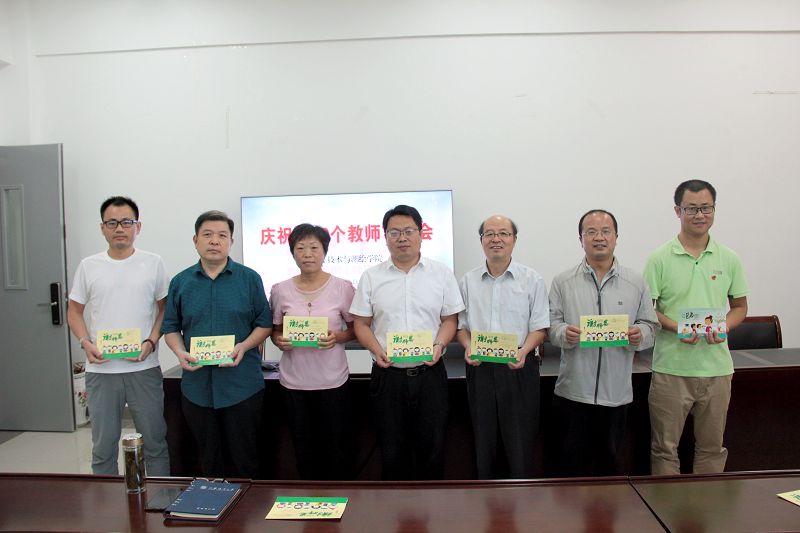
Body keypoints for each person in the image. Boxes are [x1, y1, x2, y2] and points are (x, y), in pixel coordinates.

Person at [349, 205, 465, 480]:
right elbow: (361, 324)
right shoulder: (371, 277)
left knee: (433, 449)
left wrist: (439, 346)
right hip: (387, 376)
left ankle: (432, 504)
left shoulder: (441, 273)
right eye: (394, 232)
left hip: (430, 375)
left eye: (409, 231)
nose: (402, 238)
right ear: (385, 237)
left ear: (421, 234)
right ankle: (395, 506)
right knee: (391, 451)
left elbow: (450, 320)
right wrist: (376, 350)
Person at [644, 180, 748, 474]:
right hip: (671, 369)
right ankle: (666, 503)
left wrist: (723, 326)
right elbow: (648, 311)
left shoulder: (729, 258)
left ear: (714, 210)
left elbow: (740, 307)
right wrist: (677, 327)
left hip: (717, 369)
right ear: (678, 211)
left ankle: (708, 504)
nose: (699, 215)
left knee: (712, 449)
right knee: (664, 450)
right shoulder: (658, 258)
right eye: (691, 208)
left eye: (706, 208)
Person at [549, 209, 660, 476]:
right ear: (581, 239)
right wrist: (564, 333)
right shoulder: (563, 282)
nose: (599, 237)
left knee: (609, 469)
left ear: (616, 237)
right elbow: (551, 326)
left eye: (605, 231)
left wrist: (639, 334)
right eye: (591, 232)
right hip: (574, 392)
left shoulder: (635, 282)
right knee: (571, 468)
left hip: (616, 394)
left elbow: (651, 326)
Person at [162, 210, 272, 478]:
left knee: (245, 458)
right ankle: (215, 503)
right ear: (195, 240)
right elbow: (171, 327)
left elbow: (264, 324)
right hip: (197, 387)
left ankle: (246, 505)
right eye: (207, 235)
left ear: (231, 242)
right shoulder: (181, 282)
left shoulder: (249, 279)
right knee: (209, 459)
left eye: (222, 235)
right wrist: (179, 351)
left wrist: (244, 346)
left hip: (242, 385)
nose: (214, 241)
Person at [67, 196, 170, 475]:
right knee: (102, 448)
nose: (120, 228)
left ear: (138, 226)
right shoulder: (89, 265)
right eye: (112, 223)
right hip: (101, 370)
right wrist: (85, 342)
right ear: (102, 228)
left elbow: (165, 310)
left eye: (126, 222)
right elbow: (74, 310)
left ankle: (160, 498)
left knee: (155, 443)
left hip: (143, 367)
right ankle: (106, 502)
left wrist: (151, 341)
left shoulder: (153, 263)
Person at [456, 215, 549, 479]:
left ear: (514, 240)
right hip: (480, 367)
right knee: (484, 441)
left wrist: (524, 350)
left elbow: (540, 327)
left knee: (520, 442)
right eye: (489, 234)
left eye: (503, 234)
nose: (496, 239)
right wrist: (467, 346)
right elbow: (461, 326)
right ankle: (485, 497)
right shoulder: (468, 281)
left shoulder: (531, 279)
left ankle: (521, 496)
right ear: (482, 240)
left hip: (519, 366)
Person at [269, 223, 356, 480]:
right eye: (301, 248)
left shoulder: (343, 287)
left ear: (324, 251)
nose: (307, 254)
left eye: (314, 248)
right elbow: (275, 330)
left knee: (336, 449)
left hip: (333, 381)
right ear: (292, 253)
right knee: (303, 449)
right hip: (294, 383)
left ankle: (338, 498)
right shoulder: (280, 290)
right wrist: (279, 341)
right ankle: (309, 498)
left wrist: (337, 337)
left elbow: (357, 329)